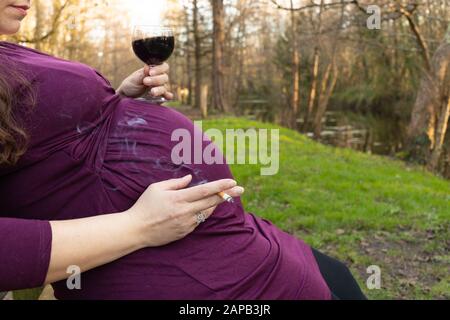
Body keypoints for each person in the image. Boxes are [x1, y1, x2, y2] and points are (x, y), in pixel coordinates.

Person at [0, 0, 366, 300]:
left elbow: (38, 142)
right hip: (167, 265)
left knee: (339, 278)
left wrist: (116, 101)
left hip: (219, 231)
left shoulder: (9, 51)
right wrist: (138, 227)